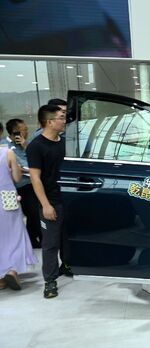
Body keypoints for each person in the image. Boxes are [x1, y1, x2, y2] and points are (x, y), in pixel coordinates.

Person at [26, 104, 72, 299]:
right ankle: (50, 280)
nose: (64, 121)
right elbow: (35, 178)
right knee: (51, 243)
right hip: (52, 200)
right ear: (49, 122)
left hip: (71, 198)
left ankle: (68, 265)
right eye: (61, 117)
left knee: (69, 238)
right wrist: (45, 205)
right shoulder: (36, 146)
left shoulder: (67, 142)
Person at [0, 146, 38, 290]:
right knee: (14, 236)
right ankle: (11, 270)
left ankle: (1, 279)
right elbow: (17, 178)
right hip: (7, 198)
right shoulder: (8, 152)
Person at [5, 119, 42, 247]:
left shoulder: (27, 143)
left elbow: (37, 160)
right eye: (23, 130)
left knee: (34, 212)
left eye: (26, 129)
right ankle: (38, 238)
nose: (26, 132)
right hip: (18, 185)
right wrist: (30, 168)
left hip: (32, 182)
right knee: (33, 212)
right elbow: (19, 166)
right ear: (14, 132)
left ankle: (32, 239)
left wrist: (26, 145)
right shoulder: (5, 147)